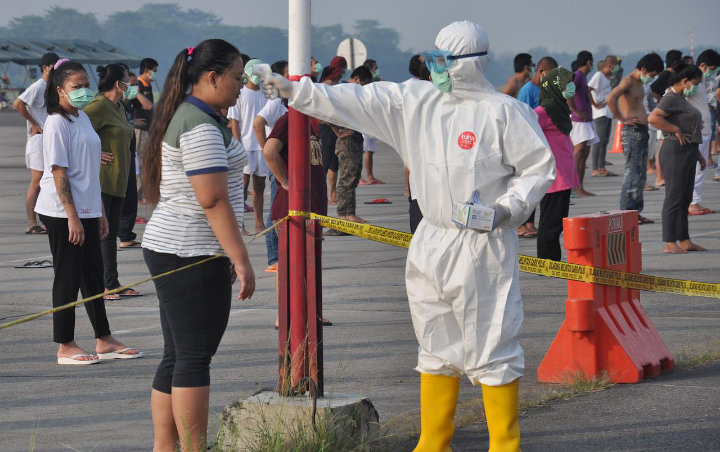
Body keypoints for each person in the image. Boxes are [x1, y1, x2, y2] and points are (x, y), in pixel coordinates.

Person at [262, 20, 555, 451]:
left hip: (482, 245)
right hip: (430, 238)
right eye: (434, 56)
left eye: (445, 58)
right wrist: (294, 90)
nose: (435, 66)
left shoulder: (504, 112)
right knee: (434, 339)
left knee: (492, 341)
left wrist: (505, 211)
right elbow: (355, 99)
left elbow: (537, 169)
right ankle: (435, 441)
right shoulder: (415, 100)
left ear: (472, 63)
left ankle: (504, 444)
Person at [141, 40, 255, 451]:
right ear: (212, 77)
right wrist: (240, 259)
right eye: (238, 78)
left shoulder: (192, 115)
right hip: (189, 250)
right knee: (192, 357)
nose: (242, 87)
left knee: (178, 354)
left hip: (174, 246)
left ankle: (165, 447)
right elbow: (213, 198)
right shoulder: (201, 125)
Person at [35, 59, 141, 365]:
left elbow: (89, 169)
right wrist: (73, 217)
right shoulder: (57, 122)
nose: (83, 91)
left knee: (93, 278)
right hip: (61, 211)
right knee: (67, 278)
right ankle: (65, 345)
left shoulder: (81, 118)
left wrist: (99, 212)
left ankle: (104, 339)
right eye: (75, 87)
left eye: (85, 86)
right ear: (59, 90)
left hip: (88, 208)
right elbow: (59, 172)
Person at [264, 111, 329, 327]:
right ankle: (284, 315)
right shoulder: (290, 119)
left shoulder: (311, 123)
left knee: (311, 262)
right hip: (291, 207)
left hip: (313, 207)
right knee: (288, 263)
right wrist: (284, 181)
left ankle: (311, 312)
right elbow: (270, 150)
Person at [83, 64, 141, 300]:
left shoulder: (118, 106)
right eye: (128, 80)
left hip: (120, 178)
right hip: (104, 179)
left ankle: (112, 281)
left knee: (112, 232)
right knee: (104, 234)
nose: (131, 85)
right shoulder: (97, 106)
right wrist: (94, 154)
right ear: (119, 83)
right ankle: (104, 285)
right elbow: (74, 131)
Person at [648, 63, 707, 254]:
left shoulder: (681, 98)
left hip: (688, 151)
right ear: (686, 81)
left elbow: (690, 128)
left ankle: (685, 240)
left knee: (685, 197)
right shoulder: (671, 98)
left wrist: (698, 155)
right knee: (674, 198)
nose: (696, 87)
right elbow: (653, 118)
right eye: (695, 83)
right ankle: (669, 242)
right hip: (675, 152)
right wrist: (675, 129)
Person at [607, 53, 664, 225]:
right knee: (632, 172)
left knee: (640, 174)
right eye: (652, 74)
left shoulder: (641, 83)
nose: (652, 78)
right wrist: (622, 119)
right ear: (644, 69)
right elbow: (611, 98)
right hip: (631, 131)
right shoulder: (629, 81)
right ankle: (626, 212)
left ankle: (636, 212)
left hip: (641, 130)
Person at [534, 68, 579, 261]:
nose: (570, 87)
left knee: (557, 223)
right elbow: (527, 128)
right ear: (554, 86)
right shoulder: (544, 110)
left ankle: (554, 261)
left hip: (564, 175)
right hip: (554, 175)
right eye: (566, 83)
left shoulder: (559, 106)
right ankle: (547, 263)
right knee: (550, 223)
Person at [13, 52, 60, 235]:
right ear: (45, 67)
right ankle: (32, 223)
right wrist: (34, 124)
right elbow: (18, 104)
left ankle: (46, 219)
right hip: (38, 139)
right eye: (53, 66)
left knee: (49, 180)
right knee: (37, 182)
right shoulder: (38, 86)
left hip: (49, 137)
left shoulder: (52, 87)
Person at [253, 60, 289, 273]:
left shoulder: (288, 101)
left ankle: (283, 255)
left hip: (286, 161)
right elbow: (258, 123)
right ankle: (273, 258)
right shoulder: (276, 102)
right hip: (279, 163)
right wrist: (268, 149)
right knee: (275, 210)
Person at [516, 56, 558, 238]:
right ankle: (521, 224)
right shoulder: (528, 90)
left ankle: (530, 223)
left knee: (536, 185)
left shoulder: (543, 89)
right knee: (526, 184)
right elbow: (522, 119)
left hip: (539, 144)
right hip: (527, 144)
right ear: (542, 72)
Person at [229, 58, 270, 233]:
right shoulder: (240, 93)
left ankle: (259, 223)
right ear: (246, 73)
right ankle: (240, 224)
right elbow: (234, 122)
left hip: (262, 146)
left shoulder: (266, 94)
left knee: (259, 187)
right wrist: (238, 144)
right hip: (245, 146)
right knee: (242, 188)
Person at [331, 66, 374, 226]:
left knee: (353, 177)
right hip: (346, 141)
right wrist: (337, 131)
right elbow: (328, 112)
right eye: (363, 83)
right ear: (356, 80)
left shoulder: (351, 92)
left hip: (354, 139)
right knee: (347, 178)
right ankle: (344, 215)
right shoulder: (344, 91)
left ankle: (350, 213)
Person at [118, 65, 153, 249]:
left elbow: (148, 105)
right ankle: (116, 234)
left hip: (129, 150)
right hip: (118, 154)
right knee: (120, 195)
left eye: (132, 83)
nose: (131, 86)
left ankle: (126, 235)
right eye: (127, 83)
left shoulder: (130, 100)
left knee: (129, 193)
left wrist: (134, 92)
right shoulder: (111, 104)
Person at [684, 53, 716, 216]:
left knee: (700, 167)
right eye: (711, 69)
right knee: (698, 167)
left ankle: (694, 200)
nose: (712, 72)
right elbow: (684, 94)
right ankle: (693, 201)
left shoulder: (702, 81)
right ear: (702, 66)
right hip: (697, 130)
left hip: (704, 129)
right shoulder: (691, 81)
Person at [569, 51, 603, 197]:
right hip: (579, 122)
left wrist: (594, 104)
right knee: (578, 153)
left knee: (584, 154)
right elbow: (568, 92)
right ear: (589, 62)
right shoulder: (576, 76)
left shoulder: (583, 77)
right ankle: (574, 188)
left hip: (587, 120)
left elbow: (585, 93)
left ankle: (580, 186)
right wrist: (575, 110)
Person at [316, 65, 344, 204]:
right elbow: (325, 114)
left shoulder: (334, 86)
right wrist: (336, 130)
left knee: (334, 162)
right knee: (325, 162)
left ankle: (332, 195)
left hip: (334, 128)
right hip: (326, 128)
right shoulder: (323, 87)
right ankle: (322, 195)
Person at [132, 57, 158, 202]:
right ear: (147, 71)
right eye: (154, 71)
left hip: (147, 129)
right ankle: (138, 193)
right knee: (139, 162)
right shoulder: (137, 85)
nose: (155, 74)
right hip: (140, 129)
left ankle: (143, 193)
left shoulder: (147, 86)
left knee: (146, 161)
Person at [588, 55, 619, 178]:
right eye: (615, 65)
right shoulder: (598, 76)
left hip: (607, 112)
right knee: (598, 141)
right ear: (610, 65)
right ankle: (595, 168)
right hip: (600, 113)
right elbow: (588, 89)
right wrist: (594, 104)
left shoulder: (607, 78)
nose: (617, 68)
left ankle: (602, 167)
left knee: (605, 141)